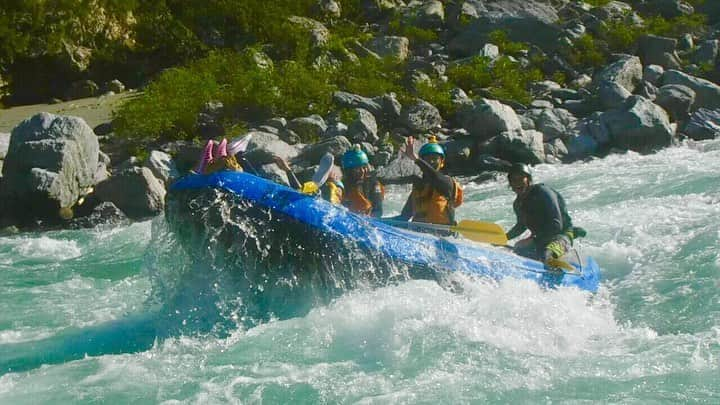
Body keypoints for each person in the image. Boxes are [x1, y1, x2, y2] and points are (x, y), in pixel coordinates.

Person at [505, 163, 582, 264]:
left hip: (560, 235)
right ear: (510, 184)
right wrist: (504, 238)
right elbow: (521, 226)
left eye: (521, 178)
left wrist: (535, 239)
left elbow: (556, 225)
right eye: (514, 180)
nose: (517, 183)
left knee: (548, 254)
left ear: (528, 179)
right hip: (541, 239)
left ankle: (562, 252)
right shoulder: (518, 203)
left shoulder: (543, 192)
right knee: (518, 248)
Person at [396, 135, 463, 225]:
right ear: (423, 160)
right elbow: (404, 217)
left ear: (442, 162)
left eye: (435, 159)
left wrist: (415, 159)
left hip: (442, 234)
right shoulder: (419, 188)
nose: (431, 161)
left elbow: (435, 177)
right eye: (428, 158)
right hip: (418, 233)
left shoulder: (446, 183)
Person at [341, 145, 384, 217]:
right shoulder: (343, 184)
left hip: (368, 219)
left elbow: (378, 211)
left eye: (364, 167)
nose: (362, 171)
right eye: (357, 169)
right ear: (348, 171)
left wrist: (365, 218)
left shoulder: (373, 184)